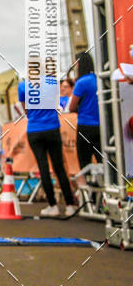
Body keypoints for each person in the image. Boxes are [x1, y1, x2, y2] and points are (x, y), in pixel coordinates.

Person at [18, 70, 77, 217]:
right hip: (52, 127)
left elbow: (25, 108)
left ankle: (52, 205)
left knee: (43, 167)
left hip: (34, 129)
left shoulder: (23, 86)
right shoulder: (52, 84)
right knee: (59, 167)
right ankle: (70, 205)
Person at [69, 52, 102, 180]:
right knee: (101, 159)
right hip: (99, 125)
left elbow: (72, 106)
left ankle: (90, 192)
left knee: (84, 161)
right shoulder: (97, 78)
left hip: (85, 125)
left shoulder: (81, 82)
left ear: (79, 64)